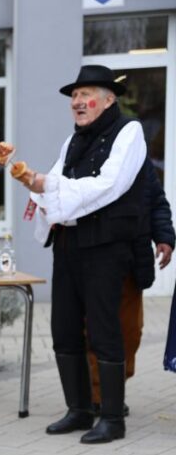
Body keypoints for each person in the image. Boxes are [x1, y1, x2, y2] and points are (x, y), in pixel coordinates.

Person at [18, 64, 149, 444]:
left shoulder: (129, 131)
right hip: (69, 245)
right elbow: (56, 184)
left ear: (108, 100)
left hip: (107, 248)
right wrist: (35, 184)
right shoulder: (72, 140)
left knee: (105, 330)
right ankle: (79, 409)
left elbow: (110, 185)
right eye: (74, 96)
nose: (77, 101)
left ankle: (112, 418)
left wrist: (47, 184)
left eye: (85, 94)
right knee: (64, 328)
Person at [87, 161, 173, 412]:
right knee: (93, 329)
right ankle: (96, 396)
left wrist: (164, 237)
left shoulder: (139, 160)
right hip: (95, 258)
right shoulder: (89, 154)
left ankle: (114, 389)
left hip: (133, 260)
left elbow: (156, 202)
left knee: (130, 331)